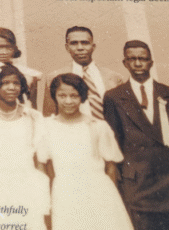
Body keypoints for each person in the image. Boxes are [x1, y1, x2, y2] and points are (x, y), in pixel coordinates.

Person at [102, 40, 169, 230]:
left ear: (151, 62)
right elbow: (115, 141)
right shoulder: (113, 97)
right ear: (125, 63)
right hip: (138, 184)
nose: (138, 63)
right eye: (132, 59)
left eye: (143, 59)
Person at [38, 73, 133, 230]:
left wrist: (110, 199)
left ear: (82, 97)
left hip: (98, 192)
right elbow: (43, 165)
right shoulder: (46, 127)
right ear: (54, 96)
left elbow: (111, 166)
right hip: (65, 193)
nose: (68, 101)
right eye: (62, 95)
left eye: (74, 96)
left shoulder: (97, 125)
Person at [0, 64, 50, 230]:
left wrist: (42, 194)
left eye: (16, 83)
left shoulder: (32, 116)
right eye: (5, 83)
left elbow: (39, 160)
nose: (11, 87)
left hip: (25, 183)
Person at [41, 26, 125, 120]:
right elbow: (49, 116)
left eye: (85, 43)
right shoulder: (54, 77)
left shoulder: (113, 77)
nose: (80, 48)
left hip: (106, 131)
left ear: (93, 47)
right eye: (74, 43)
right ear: (67, 47)